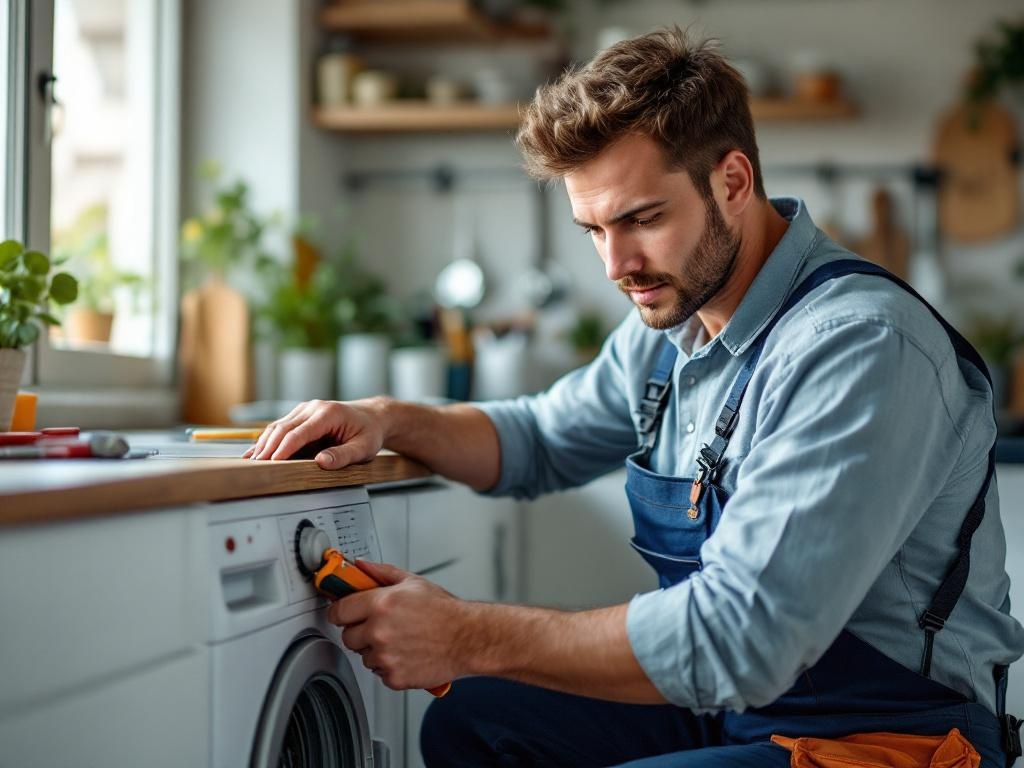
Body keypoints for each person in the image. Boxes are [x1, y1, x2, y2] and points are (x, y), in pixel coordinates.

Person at [246, 28, 1024, 768]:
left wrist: (468, 634)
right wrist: (388, 417)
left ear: (732, 182)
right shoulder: (671, 321)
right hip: (743, 707)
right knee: (475, 720)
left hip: (891, 738)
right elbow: (539, 439)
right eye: (592, 229)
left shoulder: (858, 346)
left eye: (642, 219)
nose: (617, 265)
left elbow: (740, 638)